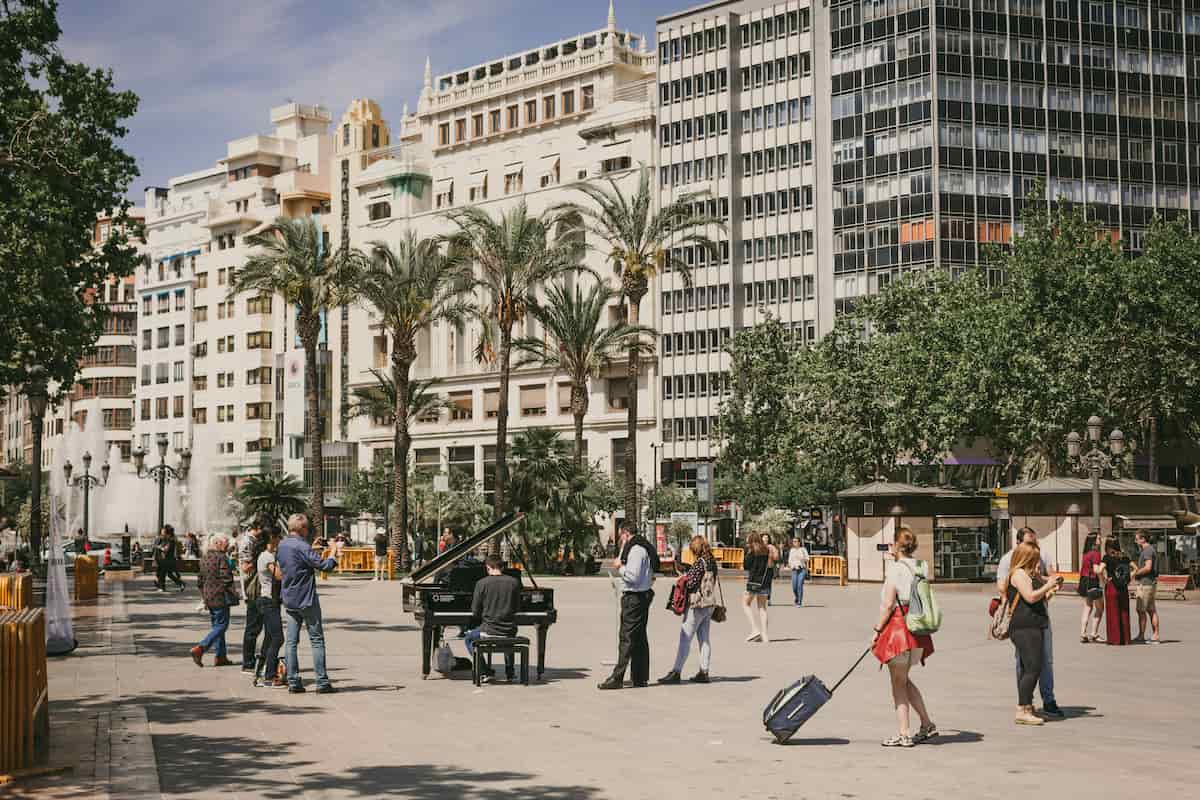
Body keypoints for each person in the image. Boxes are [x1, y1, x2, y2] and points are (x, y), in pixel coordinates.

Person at [871, 527, 937, 747]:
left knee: (898, 683)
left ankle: (904, 733)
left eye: (892, 543)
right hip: (919, 628)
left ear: (897, 546)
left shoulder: (896, 569)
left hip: (899, 630)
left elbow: (889, 604)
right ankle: (926, 724)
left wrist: (877, 630)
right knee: (904, 679)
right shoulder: (921, 566)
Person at [996, 527, 1061, 718]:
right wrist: (1047, 586)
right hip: (1024, 624)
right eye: (1030, 545)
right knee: (1030, 666)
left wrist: (1049, 588)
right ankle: (1024, 705)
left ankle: (1031, 705)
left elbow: (1038, 596)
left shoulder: (1031, 573)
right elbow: (1030, 597)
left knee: (1037, 664)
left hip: (1036, 621)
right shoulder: (1017, 573)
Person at [278, 513, 339, 694]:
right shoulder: (302, 546)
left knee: (291, 642)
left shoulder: (282, 545)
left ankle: (293, 681)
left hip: (289, 598)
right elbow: (325, 566)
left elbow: (299, 560)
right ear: (302, 528)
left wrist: (312, 548)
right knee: (316, 640)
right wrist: (333, 552)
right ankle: (322, 682)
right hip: (306, 599)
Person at [598, 522, 659, 690]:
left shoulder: (636, 550)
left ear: (625, 533)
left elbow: (633, 576)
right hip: (639, 596)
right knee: (639, 638)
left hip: (634, 598)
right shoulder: (637, 547)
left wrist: (620, 568)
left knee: (627, 638)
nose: (619, 539)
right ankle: (640, 677)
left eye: (621, 536)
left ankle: (617, 677)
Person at [659, 535, 719, 685]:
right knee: (704, 639)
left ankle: (676, 672)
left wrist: (684, 576)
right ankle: (704, 671)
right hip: (709, 603)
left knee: (685, 637)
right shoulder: (712, 562)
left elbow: (691, 584)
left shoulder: (700, 563)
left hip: (697, 604)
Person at [464, 555, 521, 682]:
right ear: (502, 567)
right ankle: (510, 673)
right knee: (508, 638)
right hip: (509, 630)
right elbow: (517, 608)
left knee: (468, 639)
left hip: (488, 630)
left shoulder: (481, 583)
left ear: (488, 567)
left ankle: (485, 671)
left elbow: (475, 611)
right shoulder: (514, 582)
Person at [190, 533, 236, 668]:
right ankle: (200, 648)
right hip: (220, 597)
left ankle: (220, 656)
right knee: (222, 625)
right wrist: (234, 593)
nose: (227, 546)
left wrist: (204, 596)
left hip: (209, 597)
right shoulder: (221, 557)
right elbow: (226, 578)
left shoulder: (204, 558)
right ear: (217, 543)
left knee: (217, 626)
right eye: (226, 543)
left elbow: (200, 581)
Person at [253, 529, 286, 688]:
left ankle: (260, 672)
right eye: (279, 536)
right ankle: (270, 675)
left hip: (269, 601)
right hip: (268, 601)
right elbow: (279, 575)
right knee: (278, 638)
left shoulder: (270, 555)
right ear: (272, 538)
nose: (280, 539)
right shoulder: (267, 556)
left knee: (269, 638)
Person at [238, 524, 264, 674]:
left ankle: (256, 660)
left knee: (257, 627)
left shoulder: (252, 541)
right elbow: (245, 568)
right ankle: (248, 663)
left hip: (258, 590)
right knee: (252, 628)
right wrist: (260, 560)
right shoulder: (247, 542)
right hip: (252, 590)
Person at [1101, 538, 1132, 646]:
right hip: (1123, 586)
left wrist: (1104, 579)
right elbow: (1135, 568)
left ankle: (1115, 639)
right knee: (1124, 612)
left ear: (1108, 546)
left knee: (1113, 612)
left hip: (1112, 586)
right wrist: (1128, 579)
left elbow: (1099, 570)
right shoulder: (1125, 557)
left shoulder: (1107, 557)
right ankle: (1126, 639)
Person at [742, 533, 771, 642]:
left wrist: (747, 553)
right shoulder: (766, 550)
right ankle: (765, 635)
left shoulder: (752, 551)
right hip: (765, 581)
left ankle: (755, 629)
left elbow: (746, 566)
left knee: (745, 603)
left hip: (754, 581)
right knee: (762, 608)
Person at [1132, 532, 1160, 644]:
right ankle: (1154, 635)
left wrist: (1135, 573)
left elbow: (1148, 567)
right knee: (1151, 610)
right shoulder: (1149, 550)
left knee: (1141, 610)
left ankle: (1143, 635)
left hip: (1145, 583)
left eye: (1137, 539)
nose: (1135, 541)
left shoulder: (1147, 550)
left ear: (1143, 539)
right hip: (1150, 583)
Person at [1078, 534, 1104, 643]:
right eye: (1098, 538)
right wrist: (1103, 565)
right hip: (1093, 582)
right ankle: (1094, 633)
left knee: (1088, 607)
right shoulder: (1096, 553)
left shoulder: (1086, 553)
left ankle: (1083, 633)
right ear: (1093, 541)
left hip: (1084, 581)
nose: (1100, 540)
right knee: (1100, 608)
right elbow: (1097, 570)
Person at [787, 536, 810, 607]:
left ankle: (799, 601)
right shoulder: (792, 550)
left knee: (799, 585)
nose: (795, 543)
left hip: (801, 569)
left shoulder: (803, 549)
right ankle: (797, 597)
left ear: (799, 542)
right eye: (793, 541)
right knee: (794, 587)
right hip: (794, 569)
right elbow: (790, 560)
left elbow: (807, 558)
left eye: (796, 541)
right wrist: (791, 565)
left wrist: (801, 558)